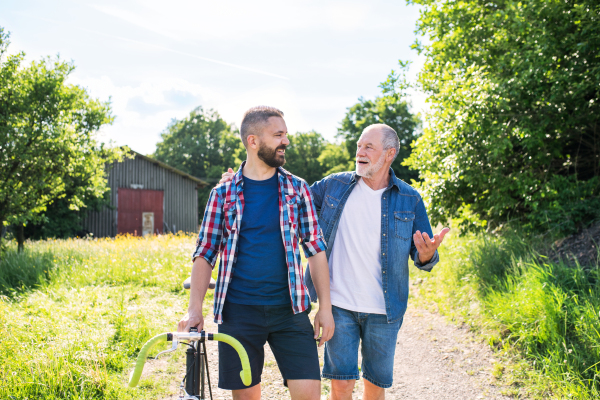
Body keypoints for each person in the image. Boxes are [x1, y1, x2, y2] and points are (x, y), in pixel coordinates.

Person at [220, 123, 448, 400]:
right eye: (359, 146)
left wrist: (426, 254)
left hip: (385, 308)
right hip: (339, 305)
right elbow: (285, 193)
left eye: (368, 147)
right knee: (341, 385)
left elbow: (422, 256)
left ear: (389, 154)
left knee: (376, 386)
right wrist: (237, 183)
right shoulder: (333, 187)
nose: (360, 152)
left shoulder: (410, 199)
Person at [178, 106, 335, 400]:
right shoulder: (223, 194)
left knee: (309, 395)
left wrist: (324, 307)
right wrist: (194, 308)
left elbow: (315, 249)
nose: (285, 141)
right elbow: (205, 253)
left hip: (291, 311)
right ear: (253, 141)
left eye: (285, 134)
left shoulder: (297, 188)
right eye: (278, 135)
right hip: (239, 314)